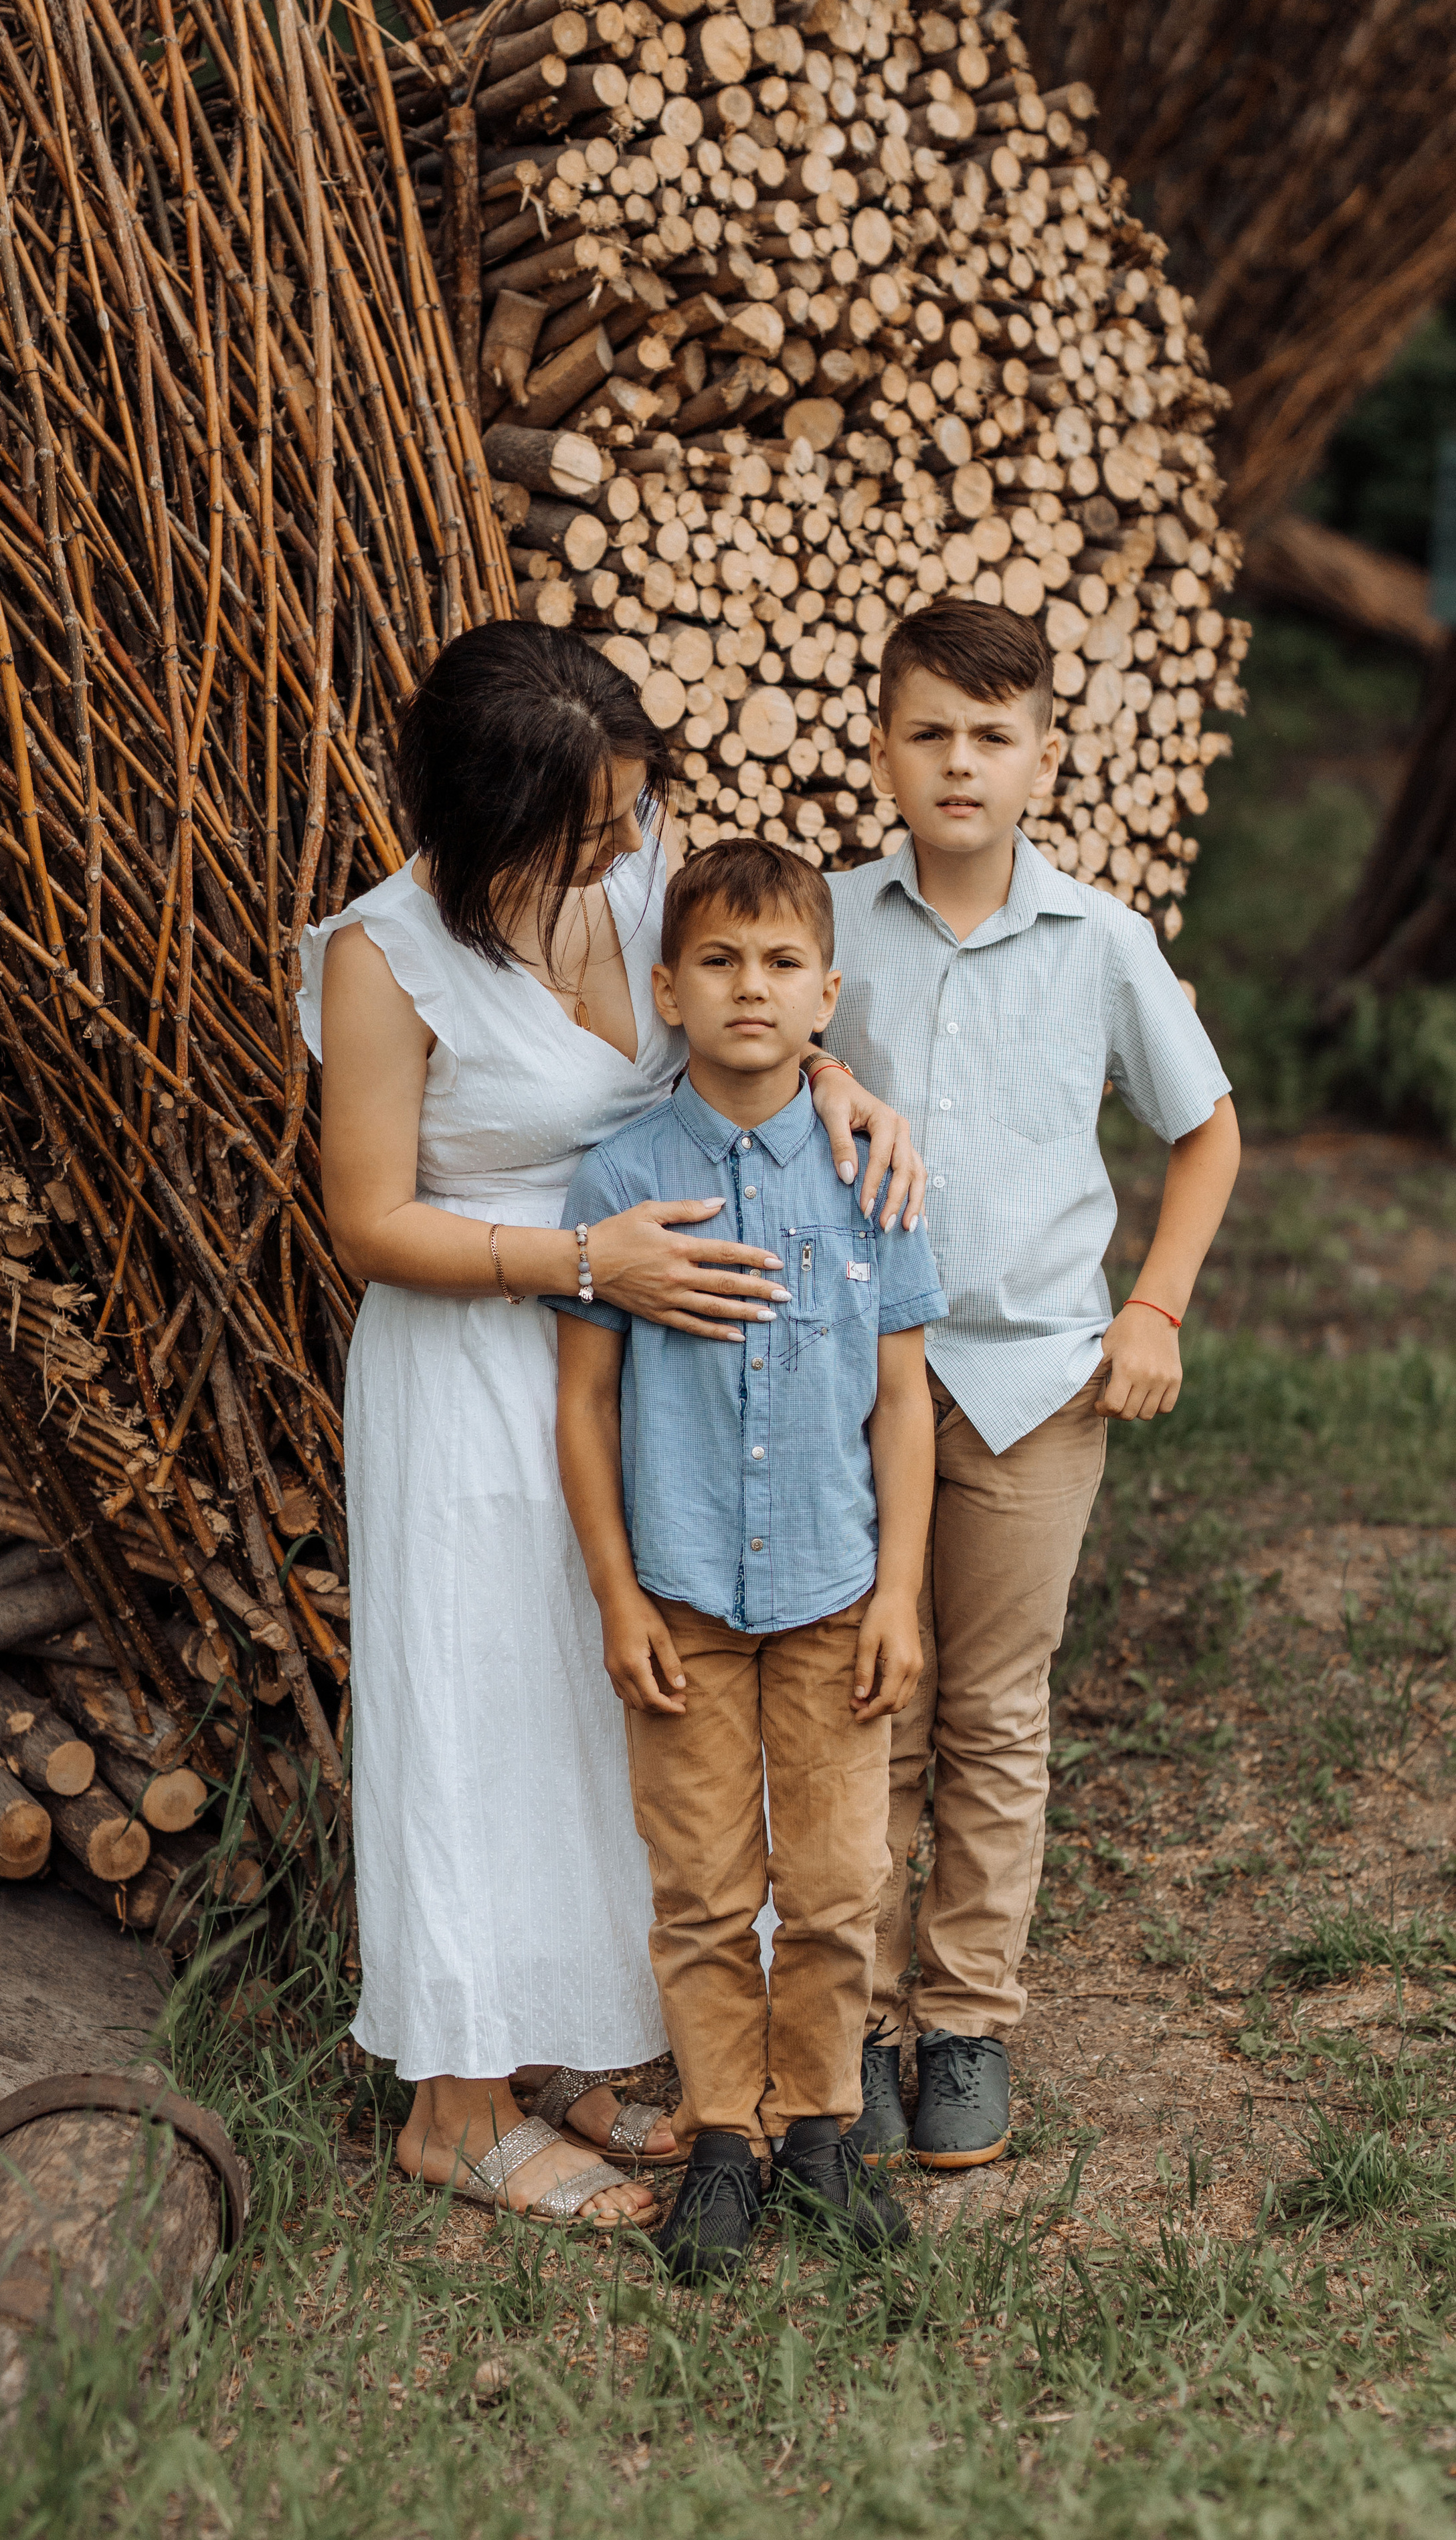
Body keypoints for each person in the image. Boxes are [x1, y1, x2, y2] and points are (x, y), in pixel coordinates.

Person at [301, 620, 924, 2229]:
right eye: (581, 826)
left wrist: (840, 1085)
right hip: (473, 1349)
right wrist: (588, 1257)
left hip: (642, 1373)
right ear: (486, 817)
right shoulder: (385, 958)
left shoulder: (638, 874)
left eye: (626, 813)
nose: (616, 847)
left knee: (606, 1727)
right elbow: (367, 1217)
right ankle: (452, 2103)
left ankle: (559, 2043)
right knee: (479, 1712)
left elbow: (748, 991)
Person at [817, 600, 1241, 2173]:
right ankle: (848, 2025)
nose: (957, 762)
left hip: (1034, 1387)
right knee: (872, 1699)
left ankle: (967, 2023)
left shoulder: (1101, 943)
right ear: (879, 748)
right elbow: (743, 1061)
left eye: (990, 737)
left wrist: (1155, 1307)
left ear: (1041, 759)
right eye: (926, 732)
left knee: (992, 1709)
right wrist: (816, 1071)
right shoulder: (829, 923)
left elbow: (1202, 1132)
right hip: (851, 1384)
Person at [551, 841, 948, 2281]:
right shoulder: (620, 1176)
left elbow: (900, 1402)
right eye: (715, 961)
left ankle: (820, 2130)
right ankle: (721, 2136)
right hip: (683, 1595)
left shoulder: (872, 1174)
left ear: (825, 991)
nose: (747, 988)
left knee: (839, 1878)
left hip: (838, 1594)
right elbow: (583, 1406)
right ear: (667, 986)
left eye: (779, 963)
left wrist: (900, 1591)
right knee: (705, 1883)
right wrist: (612, 1593)